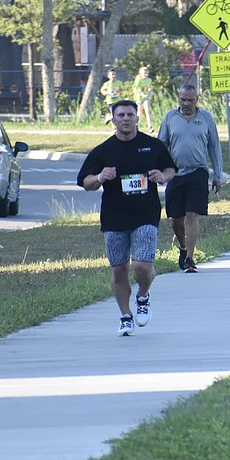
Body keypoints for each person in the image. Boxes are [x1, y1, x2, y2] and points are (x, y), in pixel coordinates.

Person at [76, 99, 177, 336]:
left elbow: (171, 169)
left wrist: (162, 176)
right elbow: (85, 182)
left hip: (145, 213)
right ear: (113, 119)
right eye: (120, 115)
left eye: (129, 115)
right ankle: (125, 316)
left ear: (137, 118)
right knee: (119, 270)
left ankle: (143, 295)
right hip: (114, 217)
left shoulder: (152, 146)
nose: (125, 119)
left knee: (142, 265)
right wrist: (100, 177)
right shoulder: (103, 151)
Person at [158, 84, 223, 273]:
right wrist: (160, 171)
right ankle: (183, 247)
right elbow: (161, 144)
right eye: (183, 99)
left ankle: (190, 258)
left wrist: (217, 175)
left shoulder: (206, 118)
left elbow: (214, 147)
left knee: (192, 214)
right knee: (176, 220)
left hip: (198, 172)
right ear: (179, 98)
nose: (186, 103)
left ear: (197, 99)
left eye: (190, 100)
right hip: (175, 174)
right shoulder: (170, 117)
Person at [133, 66, 155, 133]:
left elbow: (149, 88)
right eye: (144, 72)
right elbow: (135, 89)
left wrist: (150, 92)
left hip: (147, 98)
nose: (146, 74)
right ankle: (135, 125)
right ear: (141, 73)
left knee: (147, 111)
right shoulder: (138, 79)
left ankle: (150, 127)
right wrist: (141, 94)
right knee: (140, 113)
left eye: (147, 72)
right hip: (140, 98)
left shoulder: (149, 80)